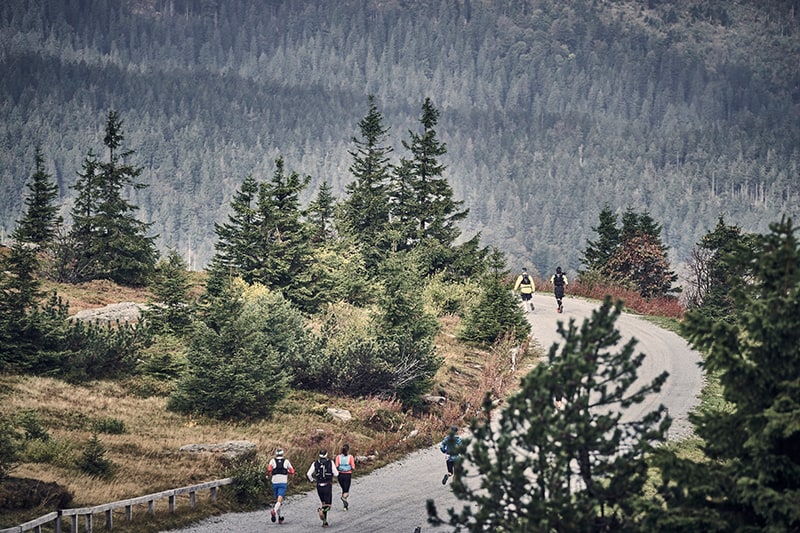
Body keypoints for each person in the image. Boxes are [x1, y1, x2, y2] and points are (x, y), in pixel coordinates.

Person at [307, 449, 338, 527]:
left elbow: (308, 474)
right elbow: (336, 473)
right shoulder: (330, 462)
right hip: (327, 485)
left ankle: (325, 522)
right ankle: (322, 510)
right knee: (328, 506)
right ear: (326, 454)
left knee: (323, 503)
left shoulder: (315, 463)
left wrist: (312, 480)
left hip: (319, 485)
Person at [266, 448, 295, 524]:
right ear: (282, 454)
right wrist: (286, 471)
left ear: (276, 454)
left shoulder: (272, 461)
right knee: (279, 500)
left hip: (274, 482)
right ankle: (274, 511)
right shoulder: (286, 461)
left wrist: (268, 475)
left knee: (277, 501)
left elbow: (269, 469)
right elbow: (292, 471)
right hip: (283, 482)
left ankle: (280, 517)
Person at [334, 444, 355, 510]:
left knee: (343, 489)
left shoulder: (338, 457)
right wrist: (350, 469)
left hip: (340, 475)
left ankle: (345, 506)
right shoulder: (350, 457)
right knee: (346, 490)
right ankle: (344, 501)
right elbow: (353, 467)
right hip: (347, 475)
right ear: (348, 450)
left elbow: (336, 466)